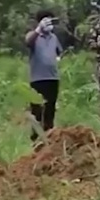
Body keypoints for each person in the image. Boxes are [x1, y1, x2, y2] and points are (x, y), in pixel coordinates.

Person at [24, 11, 64, 140]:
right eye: (46, 21)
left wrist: (57, 58)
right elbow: (28, 42)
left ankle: (49, 135)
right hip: (37, 79)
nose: (49, 24)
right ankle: (36, 137)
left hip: (53, 78)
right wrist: (38, 29)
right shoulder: (33, 36)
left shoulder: (54, 38)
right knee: (37, 110)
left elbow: (59, 51)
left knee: (50, 108)